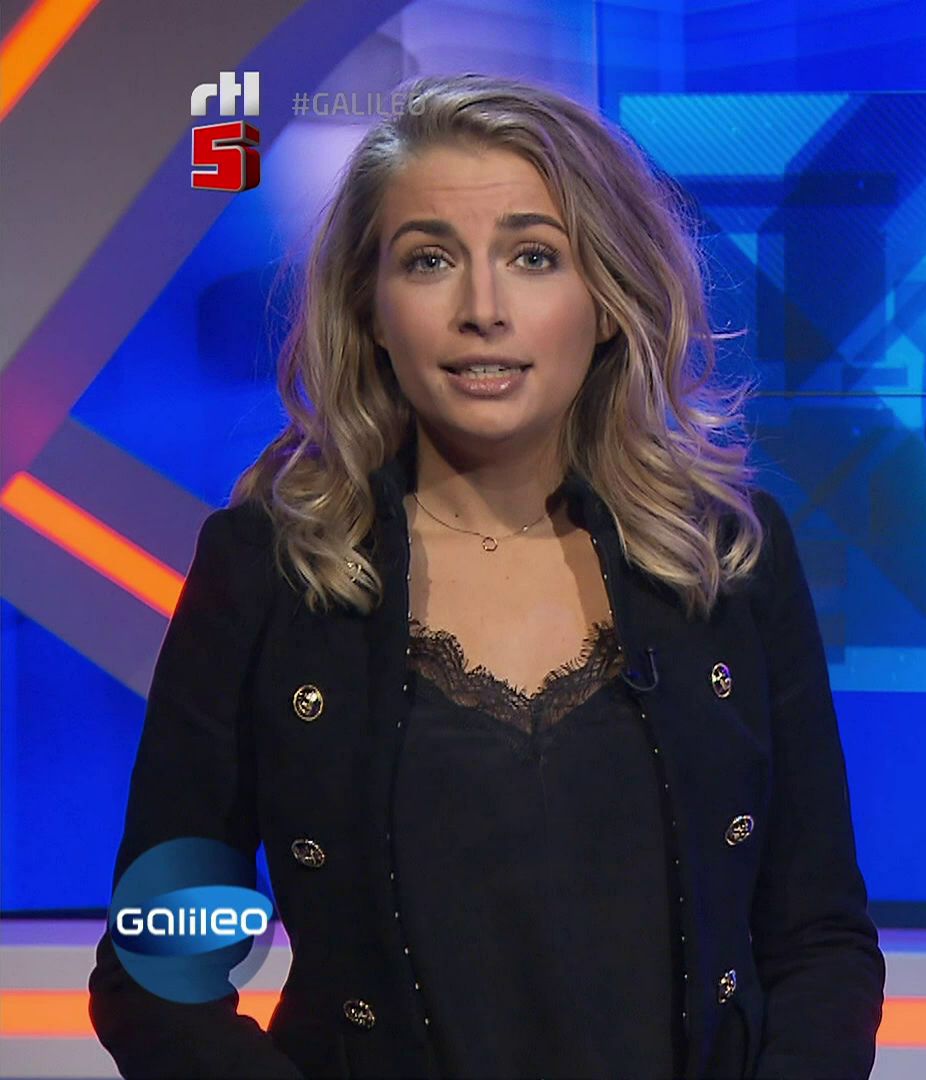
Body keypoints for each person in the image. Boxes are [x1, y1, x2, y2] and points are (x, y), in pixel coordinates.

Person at [87, 72, 884, 1079]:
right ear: (371, 309)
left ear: (608, 301)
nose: (482, 310)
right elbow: (157, 972)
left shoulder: (727, 558)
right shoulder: (269, 572)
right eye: (429, 260)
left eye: (533, 256)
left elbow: (819, 939)